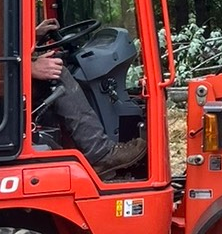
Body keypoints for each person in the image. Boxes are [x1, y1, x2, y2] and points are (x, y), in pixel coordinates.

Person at [31, 26, 146, 176]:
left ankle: (72, 149)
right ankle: (100, 153)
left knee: (55, 67)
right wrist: (31, 67)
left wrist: (33, 34)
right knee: (58, 73)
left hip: (1, 81)